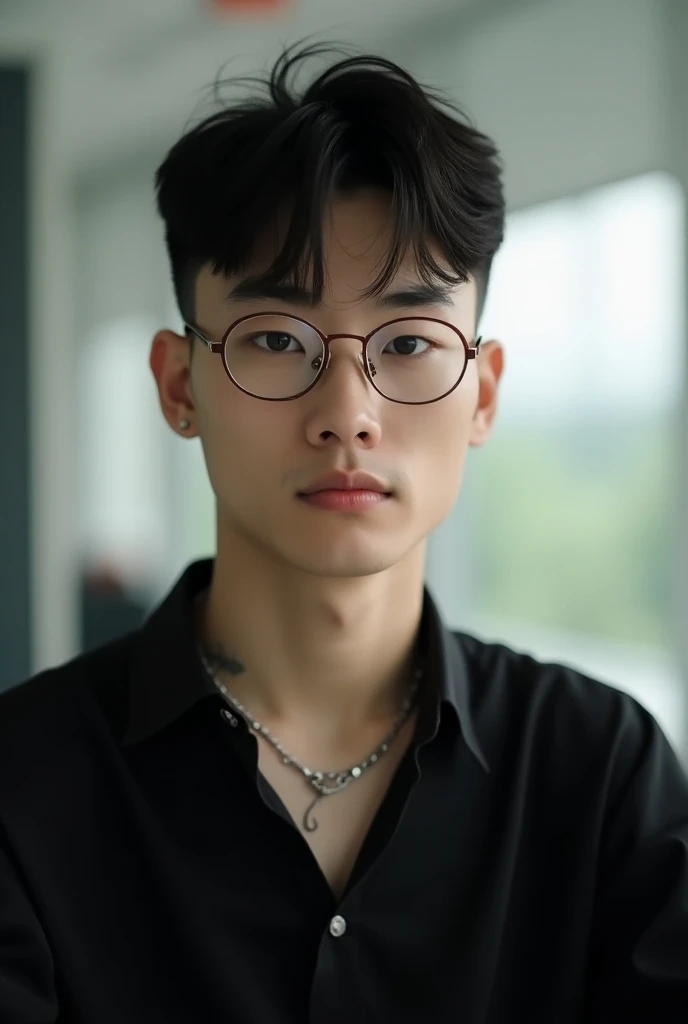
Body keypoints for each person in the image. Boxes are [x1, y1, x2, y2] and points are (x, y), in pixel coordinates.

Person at [1, 42, 687, 1024]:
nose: (348, 412)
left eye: (409, 343)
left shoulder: (599, 770)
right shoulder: (25, 787)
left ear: (481, 394)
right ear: (177, 384)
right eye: (277, 339)